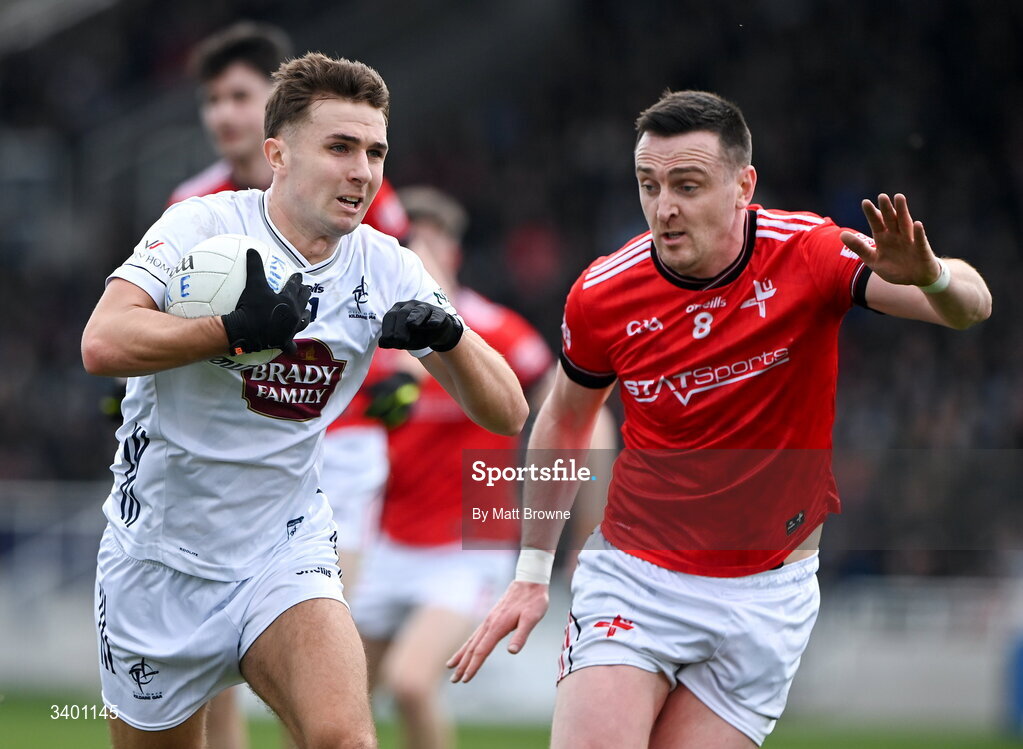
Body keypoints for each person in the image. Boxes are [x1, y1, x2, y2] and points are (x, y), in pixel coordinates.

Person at [447, 90, 992, 747]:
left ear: (743, 185)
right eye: (648, 185)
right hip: (637, 577)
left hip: (768, 595)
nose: (663, 207)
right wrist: (531, 572)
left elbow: (969, 306)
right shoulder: (602, 293)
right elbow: (563, 419)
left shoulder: (809, 253)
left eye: (687, 184)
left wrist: (929, 274)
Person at [82, 52, 528, 749]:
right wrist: (227, 331)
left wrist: (450, 336)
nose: (362, 170)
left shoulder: (385, 263)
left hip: (282, 551)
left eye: (375, 151)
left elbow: (507, 411)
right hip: (157, 562)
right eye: (340, 147)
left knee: (344, 738)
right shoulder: (200, 228)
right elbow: (102, 342)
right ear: (277, 153)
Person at [164, 23, 411, 749]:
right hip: (226, 454)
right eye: (212, 100)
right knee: (207, 670)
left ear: (274, 113)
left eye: (239, 95)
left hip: (339, 447)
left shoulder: (361, 197)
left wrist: (394, 374)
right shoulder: (192, 205)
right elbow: (143, 319)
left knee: (328, 650)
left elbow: (397, 293)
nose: (223, 115)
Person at [350, 186, 552, 749]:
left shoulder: (496, 331)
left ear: (454, 252)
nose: (417, 255)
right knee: (334, 700)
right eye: (407, 244)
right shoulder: (373, 337)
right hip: (386, 541)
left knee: (412, 684)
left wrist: (573, 519)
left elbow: (566, 407)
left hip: (468, 547)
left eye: (429, 243)